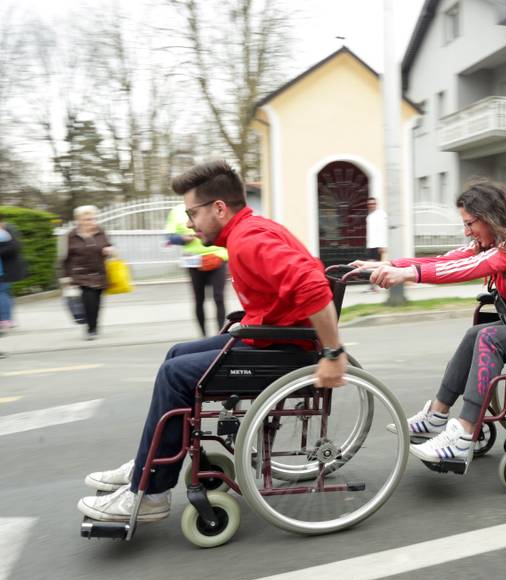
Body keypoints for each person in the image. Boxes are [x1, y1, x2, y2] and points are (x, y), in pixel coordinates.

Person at [77, 160, 348, 523]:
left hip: (284, 350)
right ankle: (150, 462)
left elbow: (313, 286)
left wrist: (333, 353)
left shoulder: (249, 239)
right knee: (176, 355)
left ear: (219, 208)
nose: (189, 223)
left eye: (192, 213)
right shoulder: (249, 230)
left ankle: (152, 492)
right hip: (272, 336)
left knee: (175, 374)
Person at [351, 179, 506, 468]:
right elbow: (446, 260)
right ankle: (437, 416)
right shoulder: (497, 241)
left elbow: (469, 268)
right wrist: (388, 266)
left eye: (470, 223)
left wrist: (407, 276)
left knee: (489, 337)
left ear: (490, 216)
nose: (467, 232)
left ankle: (464, 435)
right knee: (475, 333)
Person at [165, 203, 229, 336]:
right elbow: (170, 237)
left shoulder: (209, 205)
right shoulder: (176, 211)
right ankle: (204, 335)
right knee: (199, 299)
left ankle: (220, 334)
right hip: (194, 260)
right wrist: (182, 239)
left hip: (217, 257)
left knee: (219, 297)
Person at [61, 206, 113, 340]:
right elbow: (64, 257)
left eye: (91, 219)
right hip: (80, 274)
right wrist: (64, 277)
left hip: (99, 272)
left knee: (96, 302)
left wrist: (109, 250)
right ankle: (91, 329)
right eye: (86, 219)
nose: (89, 222)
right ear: (78, 220)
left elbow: (109, 246)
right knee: (88, 299)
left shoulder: (101, 232)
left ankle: (93, 324)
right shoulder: (71, 235)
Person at [0, 212, 27, 330]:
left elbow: (15, 247)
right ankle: (8, 318)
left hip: (6, 268)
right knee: (5, 293)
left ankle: (5, 320)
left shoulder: (7, 229)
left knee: (2, 292)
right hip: (5, 268)